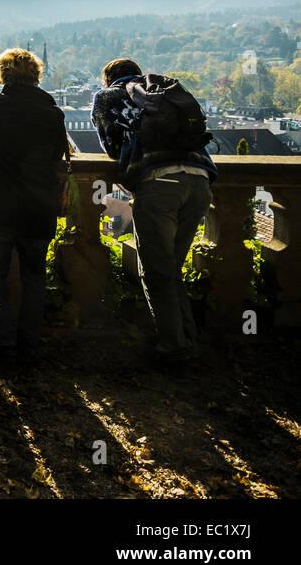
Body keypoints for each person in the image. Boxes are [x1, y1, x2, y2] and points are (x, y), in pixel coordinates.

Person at [92, 58, 216, 365]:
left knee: (156, 271)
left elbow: (111, 145)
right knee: (172, 268)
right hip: (199, 180)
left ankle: (173, 348)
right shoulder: (164, 90)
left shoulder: (108, 97)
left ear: (108, 79)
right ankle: (188, 339)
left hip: (159, 183)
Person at [0, 49, 69, 365]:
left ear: (4, 75)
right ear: (36, 75)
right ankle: (30, 345)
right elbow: (56, 157)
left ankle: (2, 343)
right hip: (38, 208)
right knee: (35, 278)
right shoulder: (53, 113)